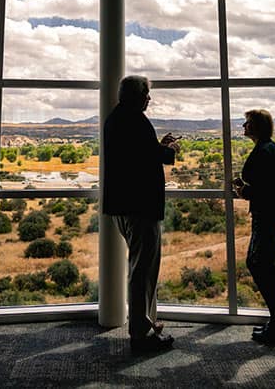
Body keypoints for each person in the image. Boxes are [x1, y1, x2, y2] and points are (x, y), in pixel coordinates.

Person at [102, 75, 180, 354]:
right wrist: (169, 149)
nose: (150, 99)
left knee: (139, 269)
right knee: (143, 272)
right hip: (140, 208)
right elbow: (147, 157)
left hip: (124, 207)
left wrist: (159, 146)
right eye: (147, 94)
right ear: (137, 95)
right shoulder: (135, 121)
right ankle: (142, 334)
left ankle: (143, 326)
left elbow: (137, 156)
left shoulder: (116, 120)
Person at [232, 108, 275, 347]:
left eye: (246, 123)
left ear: (256, 126)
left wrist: (245, 191)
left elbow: (266, 187)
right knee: (267, 265)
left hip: (267, 216)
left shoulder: (263, 151)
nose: (243, 127)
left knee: (259, 265)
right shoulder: (272, 148)